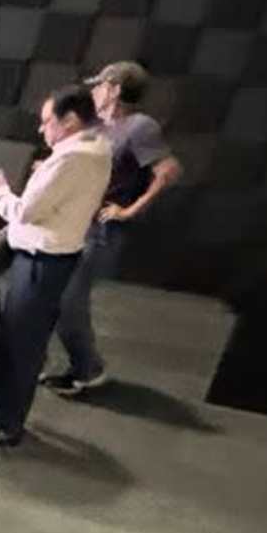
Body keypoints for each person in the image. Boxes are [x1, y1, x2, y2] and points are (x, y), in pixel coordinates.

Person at [0, 89, 114, 449]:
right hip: (53, 259)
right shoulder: (96, 146)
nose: (41, 129)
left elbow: (25, 212)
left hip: (41, 262)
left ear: (70, 120)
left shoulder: (71, 157)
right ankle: (0, 406)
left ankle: (6, 425)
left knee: (21, 344)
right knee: (18, 339)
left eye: (47, 121)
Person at [54, 60, 183, 399]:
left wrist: (128, 211)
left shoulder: (139, 127)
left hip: (101, 231)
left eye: (100, 86)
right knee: (62, 302)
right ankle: (81, 367)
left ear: (114, 89)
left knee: (69, 303)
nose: (94, 91)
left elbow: (169, 171)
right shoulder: (98, 126)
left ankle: (89, 370)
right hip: (77, 223)